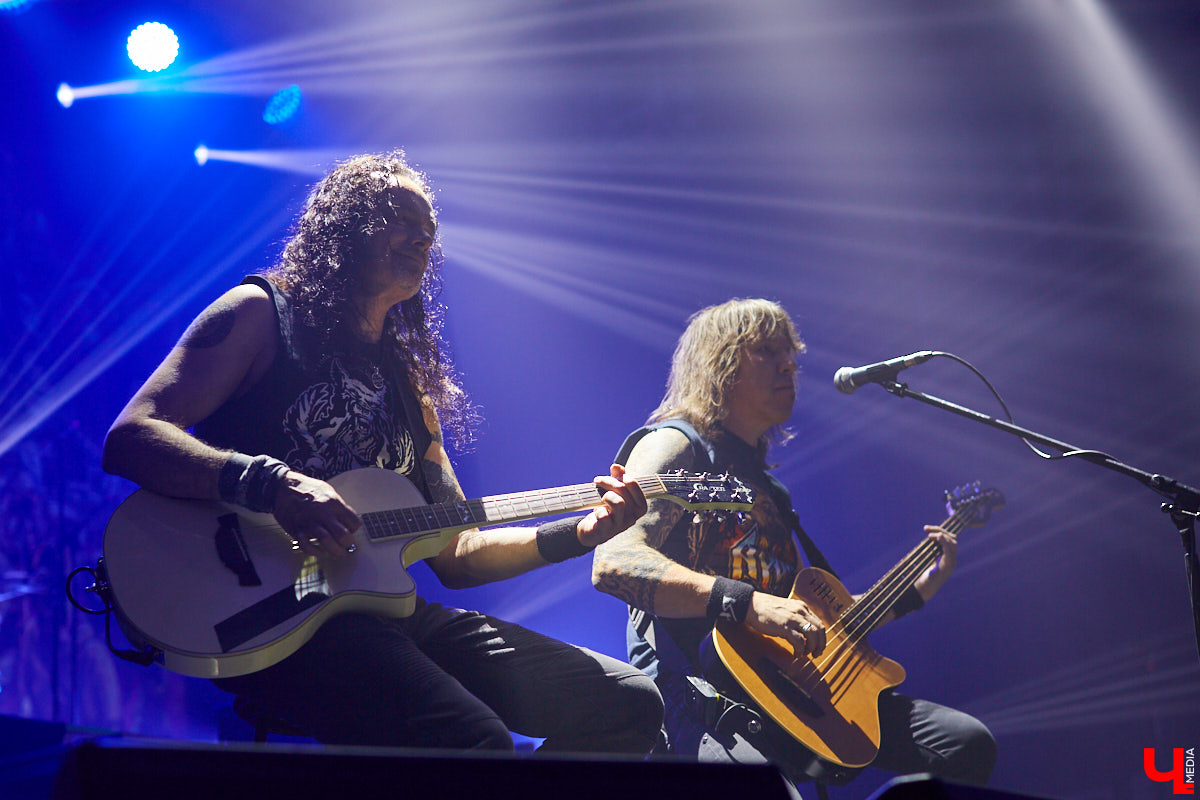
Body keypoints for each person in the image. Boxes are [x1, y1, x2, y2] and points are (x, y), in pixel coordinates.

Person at [102, 150, 662, 754]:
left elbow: (457, 550)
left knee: (627, 700)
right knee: (475, 742)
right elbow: (131, 435)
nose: (422, 240)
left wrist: (578, 535)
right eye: (402, 221)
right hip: (277, 614)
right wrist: (272, 484)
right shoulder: (262, 315)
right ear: (346, 226)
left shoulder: (409, 389)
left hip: (383, 611)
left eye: (430, 234)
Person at [591, 298, 996, 789]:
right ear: (720, 363)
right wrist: (747, 604)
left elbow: (818, 617)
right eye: (767, 351)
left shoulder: (773, 494)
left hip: (789, 685)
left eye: (792, 356)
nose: (790, 365)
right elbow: (613, 561)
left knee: (967, 743)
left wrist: (920, 589)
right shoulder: (676, 444)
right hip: (701, 691)